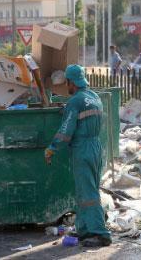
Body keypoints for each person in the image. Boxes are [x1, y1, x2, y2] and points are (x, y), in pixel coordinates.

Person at [44, 64, 111, 247]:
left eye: (67, 82)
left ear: (71, 82)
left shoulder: (75, 101)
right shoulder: (94, 97)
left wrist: (52, 148)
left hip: (82, 149)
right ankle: (84, 229)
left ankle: (100, 233)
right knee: (87, 190)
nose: (67, 86)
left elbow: (66, 131)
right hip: (96, 147)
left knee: (88, 193)